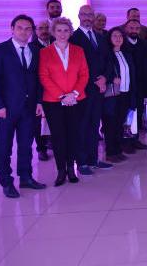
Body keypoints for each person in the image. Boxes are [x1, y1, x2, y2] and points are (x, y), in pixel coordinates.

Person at [0, 15, 46, 198]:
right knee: (4, 146)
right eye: (20, 27)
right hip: (7, 108)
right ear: (12, 29)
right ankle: (6, 181)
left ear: (32, 31)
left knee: (26, 145)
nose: (24, 32)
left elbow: (38, 79)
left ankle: (26, 177)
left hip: (29, 108)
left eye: (28, 29)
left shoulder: (35, 50)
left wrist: (39, 101)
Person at [39, 17, 89, 187]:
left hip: (76, 99)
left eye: (66, 30)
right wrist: (62, 96)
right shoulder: (44, 52)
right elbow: (44, 77)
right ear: (53, 32)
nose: (62, 33)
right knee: (58, 137)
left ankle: (70, 169)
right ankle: (61, 170)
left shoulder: (79, 50)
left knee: (73, 135)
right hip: (54, 101)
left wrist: (73, 94)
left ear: (70, 32)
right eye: (59, 30)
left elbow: (84, 74)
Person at [69, 5, 110, 175]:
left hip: (99, 90)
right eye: (84, 14)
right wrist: (95, 80)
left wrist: (105, 77)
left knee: (94, 125)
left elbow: (108, 60)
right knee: (82, 126)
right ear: (79, 16)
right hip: (83, 90)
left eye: (90, 14)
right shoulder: (73, 38)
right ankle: (82, 161)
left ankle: (93, 159)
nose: (87, 17)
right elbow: (76, 65)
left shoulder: (100, 37)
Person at [102, 27, 138, 163]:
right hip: (112, 95)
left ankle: (118, 150)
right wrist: (111, 78)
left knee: (119, 123)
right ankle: (110, 152)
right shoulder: (107, 54)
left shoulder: (126, 54)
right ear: (110, 39)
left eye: (120, 36)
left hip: (125, 93)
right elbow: (103, 71)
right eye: (115, 36)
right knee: (110, 124)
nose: (118, 38)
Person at [121, 19, 147, 152]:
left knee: (137, 114)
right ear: (126, 29)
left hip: (140, 86)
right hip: (126, 86)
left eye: (137, 28)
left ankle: (135, 139)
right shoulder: (122, 44)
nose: (134, 31)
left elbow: (146, 66)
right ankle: (125, 142)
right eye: (131, 28)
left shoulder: (143, 44)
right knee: (126, 114)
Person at [30, 19, 52, 161]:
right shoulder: (31, 47)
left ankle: (53, 142)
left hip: (55, 88)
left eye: (46, 28)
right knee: (38, 121)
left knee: (54, 117)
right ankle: (41, 148)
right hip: (38, 89)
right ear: (36, 31)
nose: (44, 31)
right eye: (41, 28)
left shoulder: (56, 43)